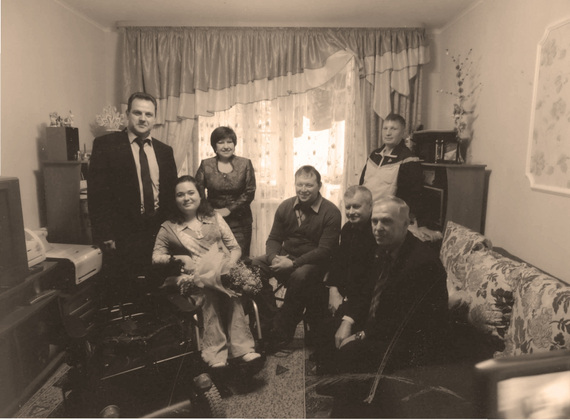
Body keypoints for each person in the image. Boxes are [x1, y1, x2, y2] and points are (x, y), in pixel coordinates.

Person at [316, 196, 448, 376]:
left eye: (386, 221)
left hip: (409, 340)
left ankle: (345, 386)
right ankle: (331, 376)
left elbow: (403, 321)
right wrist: (348, 321)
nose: (378, 228)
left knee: (350, 351)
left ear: (405, 224)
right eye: (374, 221)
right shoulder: (385, 247)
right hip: (382, 324)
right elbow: (366, 290)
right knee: (328, 327)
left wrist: (360, 335)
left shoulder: (422, 263)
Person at [152, 175, 261, 368]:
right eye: (180, 195)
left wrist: (229, 266)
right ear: (174, 199)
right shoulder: (168, 227)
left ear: (200, 195)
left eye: (191, 193)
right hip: (193, 279)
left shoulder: (214, 218)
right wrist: (179, 258)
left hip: (222, 274)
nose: (186, 198)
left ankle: (242, 350)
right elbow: (156, 257)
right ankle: (215, 355)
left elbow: (235, 248)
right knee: (208, 293)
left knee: (230, 291)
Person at [88, 92, 177, 299]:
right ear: (127, 114)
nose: (143, 119)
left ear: (155, 118)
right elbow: (97, 195)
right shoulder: (106, 145)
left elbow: (170, 195)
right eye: (137, 113)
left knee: (158, 289)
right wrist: (106, 234)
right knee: (127, 291)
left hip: (158, 232)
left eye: (148, 114)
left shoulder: (165, 151)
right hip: (123, 234)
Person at [252, 165, 342, 350]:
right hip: (286, 257)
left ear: (319, 186)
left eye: (309, 185)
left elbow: (324, 251)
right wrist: (273, 258)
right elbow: (274, 239)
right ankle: (271, 317)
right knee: (254, 265)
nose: (303, 189)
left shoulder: (331, 212)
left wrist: (293, 264)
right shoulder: (285, 206)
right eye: (299, 184)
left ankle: (281, 331)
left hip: (314, 263)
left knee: (300, 276)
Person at [195, 126, 256, 258]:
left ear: (234, 144)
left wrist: (228, 210)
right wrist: (211, 213)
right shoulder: (206, 165)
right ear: (214, 146)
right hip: (213, 220)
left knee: (239, 260)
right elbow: (198, 193)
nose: (226, 146)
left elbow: (249, 192)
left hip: (240, 223)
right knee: (216, 258)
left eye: (229, 142)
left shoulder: (245, 164)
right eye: (221, 142)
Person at [359, 113, 425, 226]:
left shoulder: (409, 160)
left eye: (393, 129)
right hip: (366, 215)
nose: (388, 133)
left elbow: (413, 197)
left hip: (388, 219)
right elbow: (362, 185)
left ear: (403, 133)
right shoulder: (373, 155)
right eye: (385, 128)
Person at [326, 185, 377, 315]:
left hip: (366, 296)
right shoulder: (347, 228)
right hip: (345, 289)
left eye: (356, 206)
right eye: (348, 207)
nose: (351, 212)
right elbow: (339, 261)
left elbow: (371, 277)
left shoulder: (377, 231)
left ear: (370, 206)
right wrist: (333, 289)